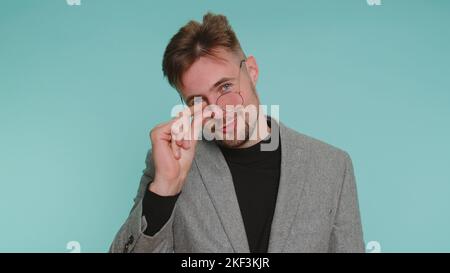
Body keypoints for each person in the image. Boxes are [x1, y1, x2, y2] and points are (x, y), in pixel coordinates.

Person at [110, 12, 364, 253]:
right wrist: (166, 189)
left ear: (251, 71)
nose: (218, 111)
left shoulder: (332, 166)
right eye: (198, 101)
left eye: (225, 87)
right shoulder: (168, 164)